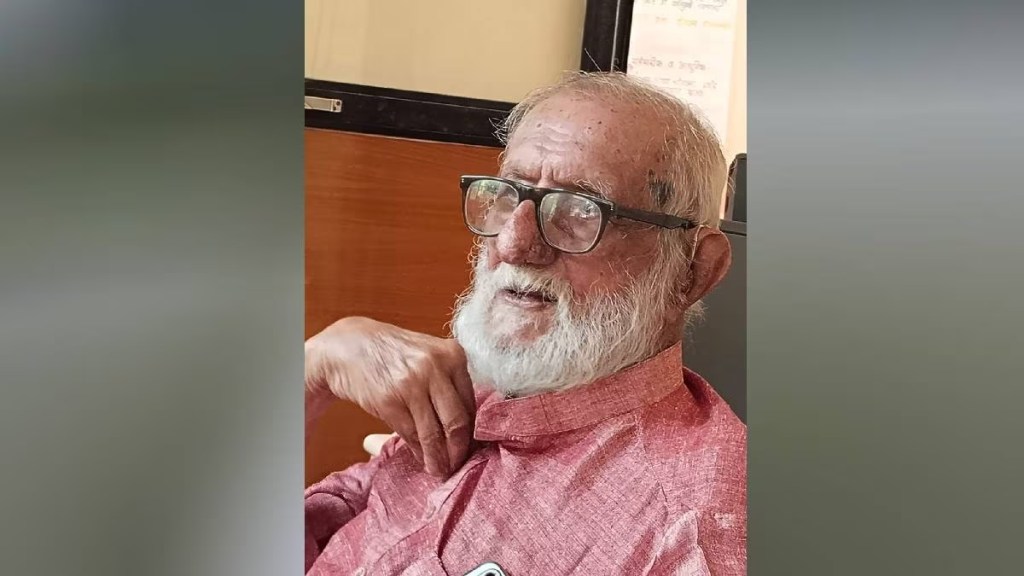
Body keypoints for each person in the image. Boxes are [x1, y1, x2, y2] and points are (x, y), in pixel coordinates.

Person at [304, 72, 746, 575]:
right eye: (508, 194)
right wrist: (312, 371)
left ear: (693, 270)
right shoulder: (476, 393)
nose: (513, 244)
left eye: (579, 211)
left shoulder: (690, 534)